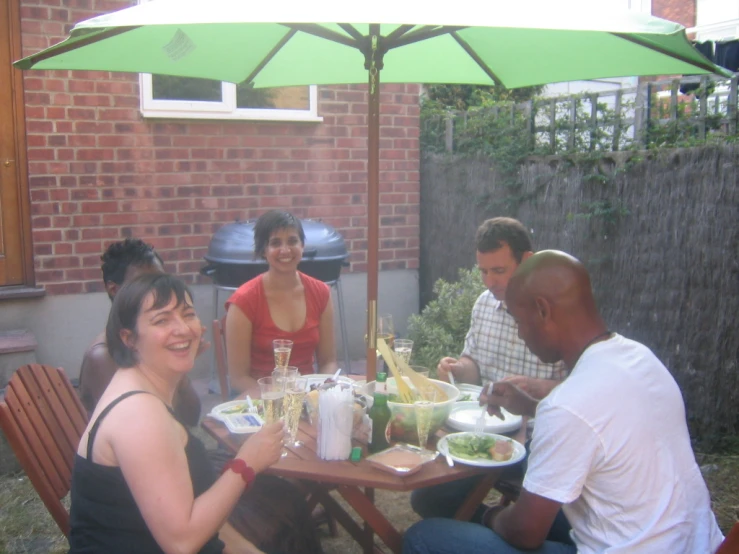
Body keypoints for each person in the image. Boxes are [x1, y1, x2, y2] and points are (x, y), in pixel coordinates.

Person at [403, 250, 725, 554]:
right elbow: (602, 426)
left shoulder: (570, 405)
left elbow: (525, 533)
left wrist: (487, 518)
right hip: (691, 542)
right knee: (444, 501)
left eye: (518, 321)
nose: (520, 334)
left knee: (424, 538)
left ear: (543, 310)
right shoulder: (640, 357)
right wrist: (531, 407)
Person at [78, 239, 325, 554]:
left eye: (187, 314)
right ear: (129, 338)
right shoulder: (138, 414)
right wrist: (246, 462)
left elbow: (209, 528)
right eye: (161, 320)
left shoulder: (144, 385)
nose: (182, 328)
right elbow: (182, 542)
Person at [411, 217, 566, 522]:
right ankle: (492, 525)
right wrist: (457, 367)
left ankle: (503, 529)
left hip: (541, 439)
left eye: (499, 271)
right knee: (427, 499)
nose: (489, 281)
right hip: (483, 428)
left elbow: (578, 389)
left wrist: (533, 391)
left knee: (551, 524)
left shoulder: (557, 311)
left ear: (527, 261)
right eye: (483, 271)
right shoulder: (484, 304)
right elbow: (474, 369)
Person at [78, 238, 202, 426]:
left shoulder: (155, 345)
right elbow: (143, 428)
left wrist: (179, 369)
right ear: (114, 289)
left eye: (158, 281)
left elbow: (191, 419)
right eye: (142, 284)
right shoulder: (103, 356)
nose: (156, 291)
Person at [226, 210, 338, 393]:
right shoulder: (244, 301)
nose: (285, 250)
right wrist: (279, 402)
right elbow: (238, 379)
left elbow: (329, 362)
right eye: (275, 243)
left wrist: (320, 392)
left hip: (307, 396)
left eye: (292, 241)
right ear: (263, 250)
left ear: (302, 245)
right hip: (259, 399)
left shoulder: (321, 293)